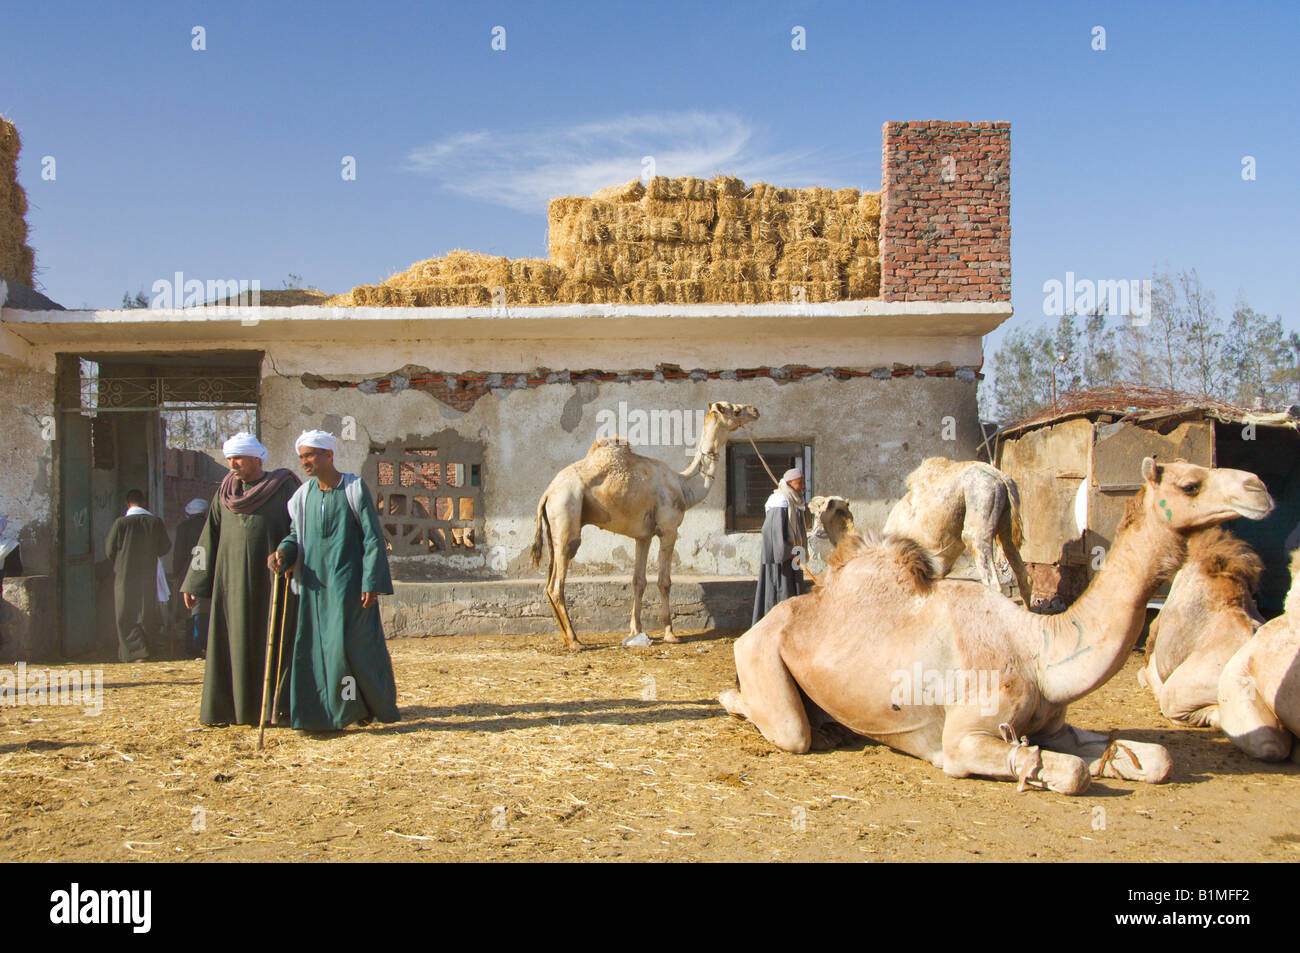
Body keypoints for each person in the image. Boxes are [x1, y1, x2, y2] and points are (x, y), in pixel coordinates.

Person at [269, 429, 398, 730]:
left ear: (329, 454)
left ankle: (356, 708)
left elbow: (372, 538)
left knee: (351, 650)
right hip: (315, 590)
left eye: (311, 455)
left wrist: (371, 581)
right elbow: (295, 536)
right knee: (319, 650)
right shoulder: (302, 497)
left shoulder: (353, 488)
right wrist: (283, 553)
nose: (305, 462)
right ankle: (322, 711)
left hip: (349, 587)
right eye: (301, 457)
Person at [182, 434, 300, 726]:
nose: (232, 464)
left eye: (238, 458)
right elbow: (208, 537)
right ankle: (228, 710)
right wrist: (193, 581)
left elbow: (300, 528)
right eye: (230, 459)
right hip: (230, 585)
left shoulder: (284, 487)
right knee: (230, 643)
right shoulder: (224, 493)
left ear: (257, 459)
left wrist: (291, 555)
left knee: (273, 644)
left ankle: (277, 710)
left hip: (272, 585)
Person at [106, 490, 172, 662]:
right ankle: (148, 648)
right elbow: (165, 547)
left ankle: (135, 651)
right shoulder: (155, 522)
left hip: (124, 574)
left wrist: (120, 561)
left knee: (125, 611)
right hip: (147, 574)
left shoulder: (120, 523)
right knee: (146, 610)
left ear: (128, 504)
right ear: (144, 502)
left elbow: (109, 550)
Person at [752, 468, 809, 625]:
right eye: (800, 483)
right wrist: (787, 551)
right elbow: (773, 533)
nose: (802, 487)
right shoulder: (779, 501)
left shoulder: (794, 501)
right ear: (790, 483)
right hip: (780, 561)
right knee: (780, 592)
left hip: (792, 557)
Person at [172, 498, 210, 657]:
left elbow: (179, 554)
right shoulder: (212, 527)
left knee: (189, 611)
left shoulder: (183, 528)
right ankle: (204, 645)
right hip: (208, 574)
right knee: (205, 611)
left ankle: (192, 646)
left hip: (188, 575)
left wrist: (176, 573)